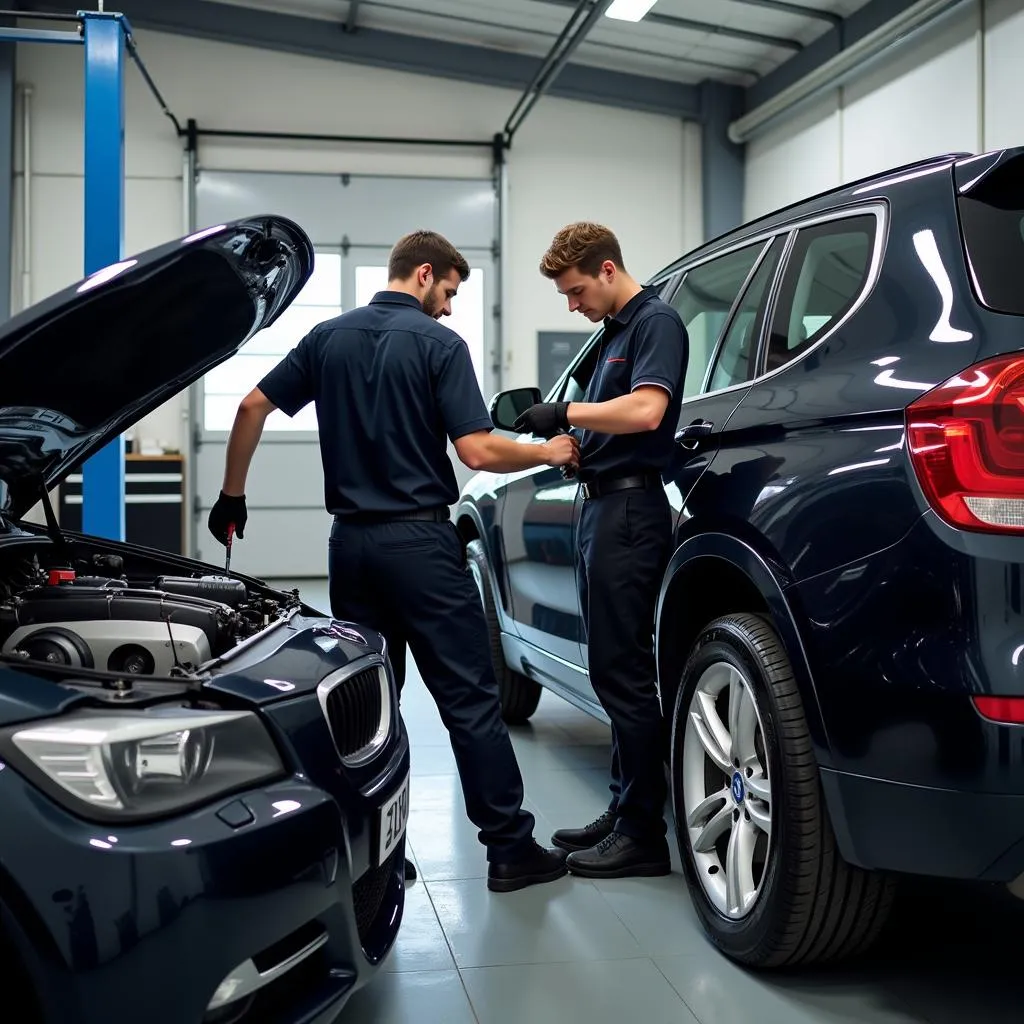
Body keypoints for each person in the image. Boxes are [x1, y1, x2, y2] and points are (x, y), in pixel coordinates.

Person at [206, 229, 579, 893]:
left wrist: (232, 494)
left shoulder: (328, 339)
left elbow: (250, 406)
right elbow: (478, 451)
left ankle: (379, 857)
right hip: (421, 547)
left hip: (349, 548)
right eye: (450, 292)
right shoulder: (439, 346)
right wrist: (550, 452)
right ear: (425, 273)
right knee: (469, 697)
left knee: (371, 704)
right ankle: (510, 850)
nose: (450, 308)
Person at [512, 221, 688, 878]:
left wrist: (566, 414)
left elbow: (646, 411)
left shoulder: (655, 323)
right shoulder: (613, 335)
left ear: (608, 269)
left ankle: (644, 834)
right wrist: (577, 447)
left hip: (634, 512)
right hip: (600, 506)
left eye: (577, 290)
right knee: (610, 669)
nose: (572, 304)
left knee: (626, 676)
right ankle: (624, 808)